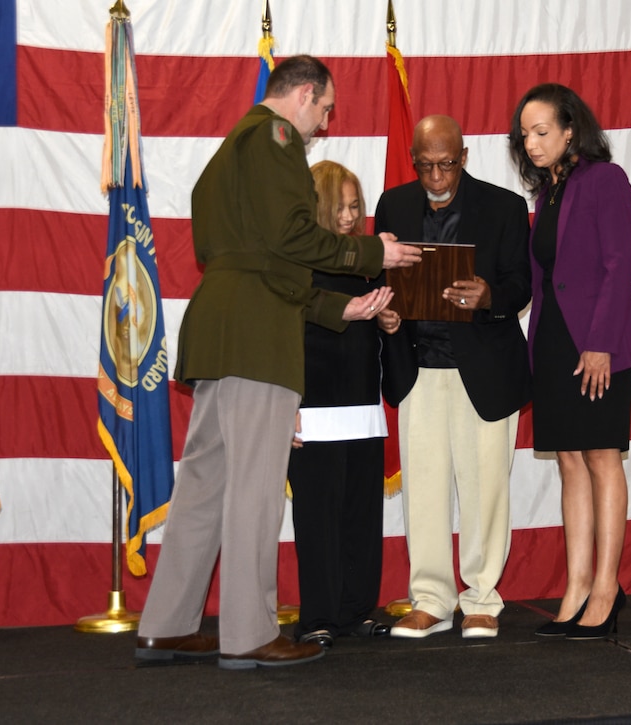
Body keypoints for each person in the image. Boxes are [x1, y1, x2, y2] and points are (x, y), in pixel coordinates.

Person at [133, 55, 420, 670]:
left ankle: (166, 624)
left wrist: (334, 311)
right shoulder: (276, 138)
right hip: (258, 337)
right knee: (255, 488)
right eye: (326, 108)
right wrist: (374, 250)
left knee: (206, 483)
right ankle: (247, 632)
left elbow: (251, 253)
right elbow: (293, 238)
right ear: (305, 95)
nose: (325, 121)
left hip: (224, 325)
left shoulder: (230, 148)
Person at [507, 83, 631, 640]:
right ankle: (575, 586)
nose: (532, 143)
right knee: (569, 460)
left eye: (542, 132)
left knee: (601, 456)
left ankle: (605, 588)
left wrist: (600, 344)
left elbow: (621, 267)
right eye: (525, 134)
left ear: (571, 130)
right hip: (551, 343)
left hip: (599, 342)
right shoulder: (547, 194)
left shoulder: (605, 180)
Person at [376, 115, 531, 639]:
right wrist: (388, 315)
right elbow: (382, 280)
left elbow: (520, 286)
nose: (437, 176)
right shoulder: (393, 205)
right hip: (417, 369)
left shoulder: (504, 207)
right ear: (413, 160)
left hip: (483, 371)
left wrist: (490, 296)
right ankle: (432, 598)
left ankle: (482, 597)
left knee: (486, 489)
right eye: (425, 166)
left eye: (446, 164)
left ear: (464, 157)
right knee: (423, 491)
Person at [288, 161, 394, 650]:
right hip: (314, 408)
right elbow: (282, 336)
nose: (350, 217)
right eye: (340, 207)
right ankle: (318, 617)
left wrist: (391, 322)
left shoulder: (369, 262)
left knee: (360, 516)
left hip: (363, 407)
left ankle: (355, 611)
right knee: (318, 519)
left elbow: (382, 328)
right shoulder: (295, 267)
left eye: (356, 206)